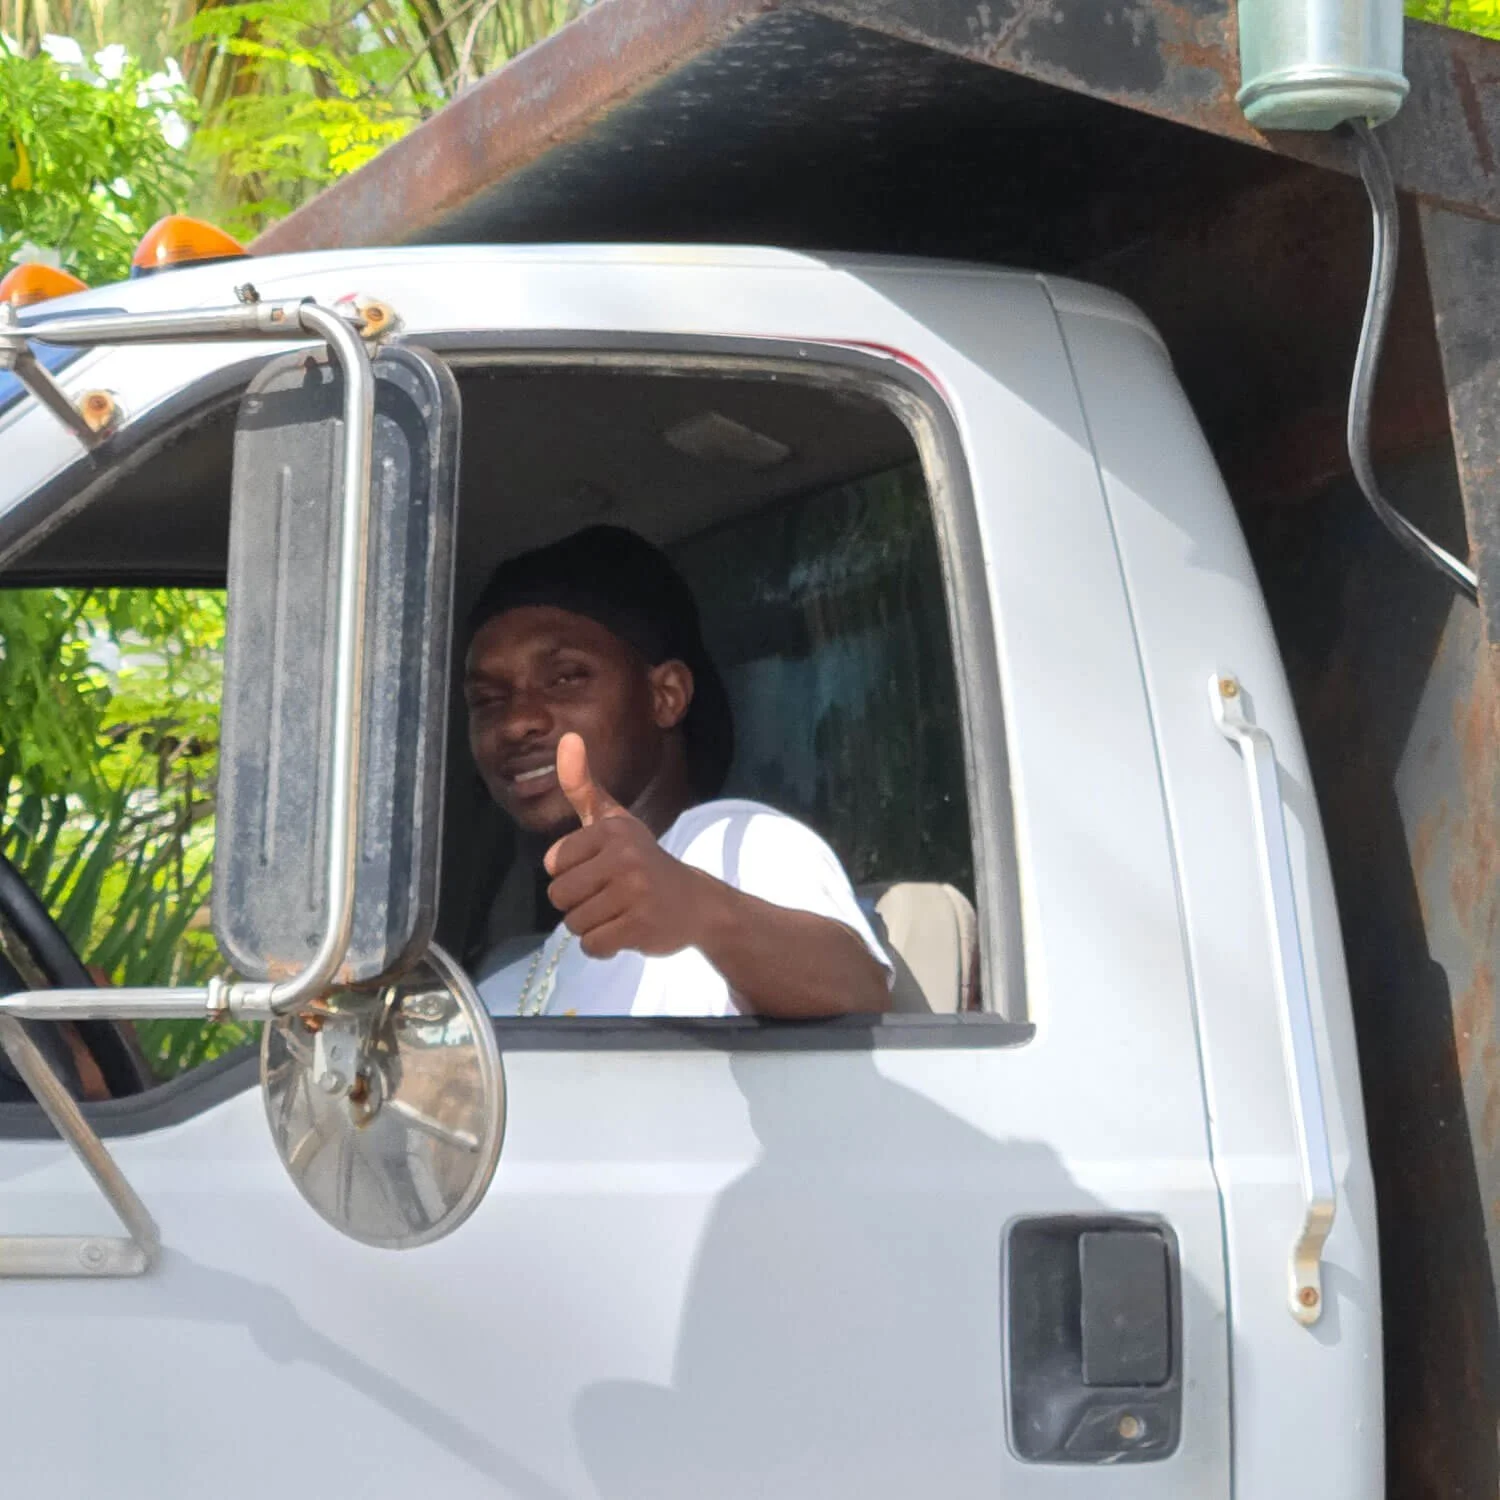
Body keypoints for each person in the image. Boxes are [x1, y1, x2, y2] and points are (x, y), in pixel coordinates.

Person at [464, 525, 893, 1019]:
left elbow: (856, 991)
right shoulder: (500, 985)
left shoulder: (732, 843)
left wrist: (697, 908)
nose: (516, 722)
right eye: (487, 699)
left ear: (665, 696)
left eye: (565, 678)